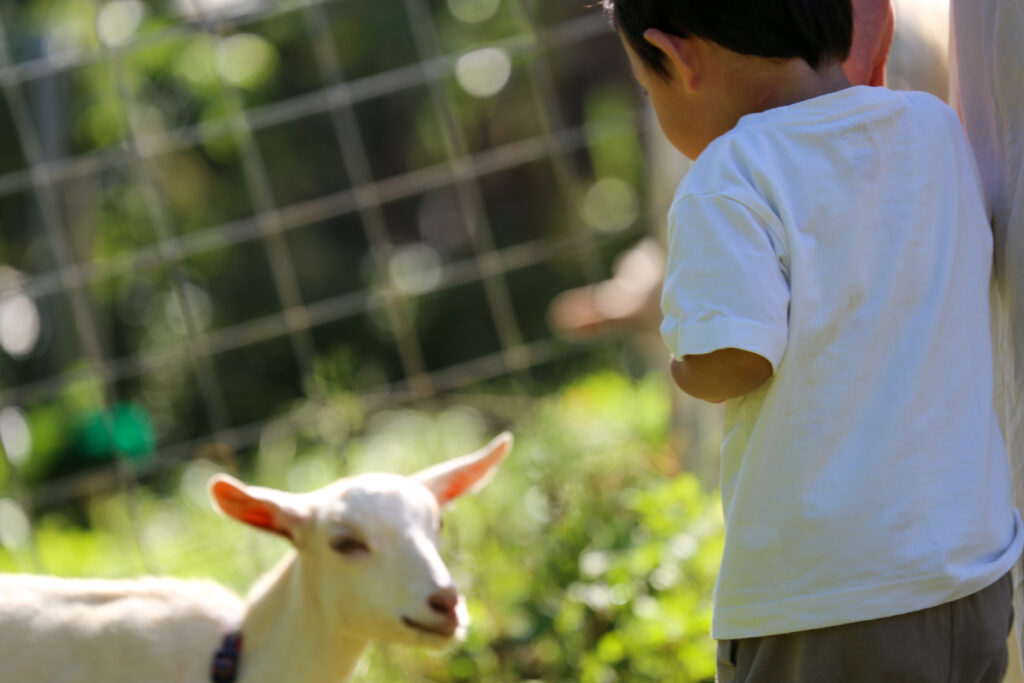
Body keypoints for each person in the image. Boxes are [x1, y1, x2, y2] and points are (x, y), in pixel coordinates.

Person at [601, 0, 1024, 680]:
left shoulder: (730, 174)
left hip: (825, 600)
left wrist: (685, 367)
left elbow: (736, 358)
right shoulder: (934, 127)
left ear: (678, 58)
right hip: (971, 577)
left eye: (648, 90)